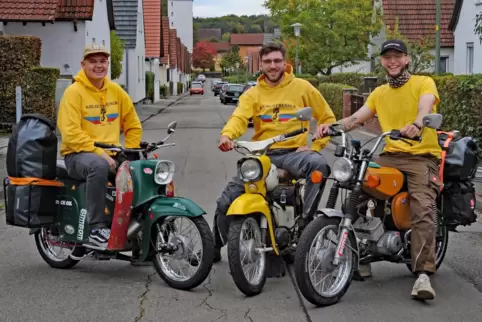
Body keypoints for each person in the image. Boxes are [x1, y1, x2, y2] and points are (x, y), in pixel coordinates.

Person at [314, 39, 442, 301]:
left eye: (397, 56)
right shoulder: (379, 92)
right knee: (357, 190)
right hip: (389, 156)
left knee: (423, 208)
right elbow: (356, 118)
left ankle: (423, 274)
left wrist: (417, 124)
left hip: (421, 156)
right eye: (387, 57)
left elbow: (425, 106)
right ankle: (361, 255)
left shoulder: (423, 82)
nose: (392, 61)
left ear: (406, 59)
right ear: (382, 61)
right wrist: (333, 126)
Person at [214, 42, 336, 276]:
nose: (273, 66)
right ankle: (217, 245)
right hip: (264, 155)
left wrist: (316, 146)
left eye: (277, 61)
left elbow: (327, 118)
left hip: (294, 153)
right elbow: (239, 118)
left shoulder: (302, 87)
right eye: (268, 61)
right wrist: (227, 135)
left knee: (319, 165)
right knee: (226, 200)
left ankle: (307, 227)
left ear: (285, 62)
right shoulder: (253, 93)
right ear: (261, 64)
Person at [57, 43, 142, 248]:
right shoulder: (73, 93)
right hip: (77, 155)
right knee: (99, 165)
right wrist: (99, 153)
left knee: (141, 171)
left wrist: (131, 151)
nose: (99, 66)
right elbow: (70, 133)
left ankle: (137, 226)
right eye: (93, 61)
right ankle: (96, 228)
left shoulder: (116, 91)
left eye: (102, 61)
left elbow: (132, 124)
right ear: (83, 64)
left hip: (110, 153)